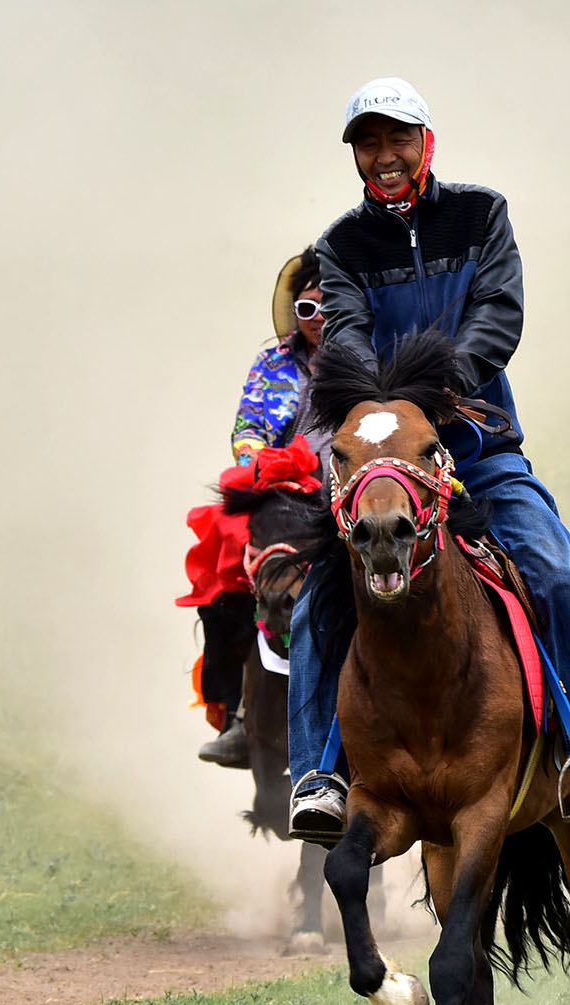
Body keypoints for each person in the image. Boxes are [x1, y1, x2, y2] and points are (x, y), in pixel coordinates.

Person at [287, 76, 570, 842]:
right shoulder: (341, 246)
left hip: (480, 449)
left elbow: (498, 316)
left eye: (396, 140)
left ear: (425, 143)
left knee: (552, 571)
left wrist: (435, 391)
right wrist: (392, 417)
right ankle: (318, 774)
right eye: (368, 144)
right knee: (316, 600)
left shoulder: (482, 216)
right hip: (386, 459)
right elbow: (344, 333)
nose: (383, 157)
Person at [183, 248, 327, 768]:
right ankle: (241, 713)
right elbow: (249, 425)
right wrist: (257, 459)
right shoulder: (271, 364)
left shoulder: (368, 357)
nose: (318, 320)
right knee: (223, 554)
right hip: (285, 488)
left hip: (352, 485)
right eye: (307, 309)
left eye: (329, 305)